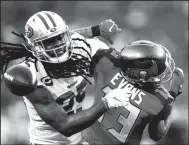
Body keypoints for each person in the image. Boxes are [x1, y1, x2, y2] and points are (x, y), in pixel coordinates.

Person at [0, 11, 127, 145]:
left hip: (80, 139)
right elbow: (65, 126)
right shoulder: (31, 74)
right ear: (35, 47)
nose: (58, 45)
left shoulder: (80, 46)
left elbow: (115, 59)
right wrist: (106, 103)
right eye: (49, 42)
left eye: (60, 37)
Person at [83, 40, 184, 145]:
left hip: (87, 140)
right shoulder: (161, 99)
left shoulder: (106, 62)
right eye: (155, 72)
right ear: (142, 75)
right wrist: (174, 92)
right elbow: (156, 135)